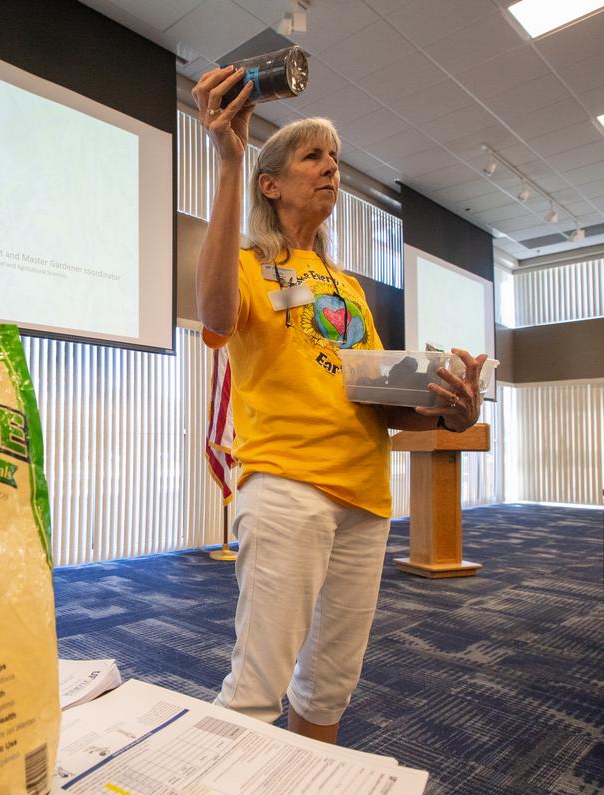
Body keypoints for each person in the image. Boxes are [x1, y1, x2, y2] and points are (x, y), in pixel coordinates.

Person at [192, 66, 487, 745]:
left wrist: (449, 411)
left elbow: (380, 401)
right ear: (272, 183)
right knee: (254, 692)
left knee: (328, 689)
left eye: (336, 158)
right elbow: (210, 312)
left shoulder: (345, 286)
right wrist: (228, 161)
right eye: (313, 156)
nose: (331, 168)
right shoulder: (244, 264)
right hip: (289, 485)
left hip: (366, 498)